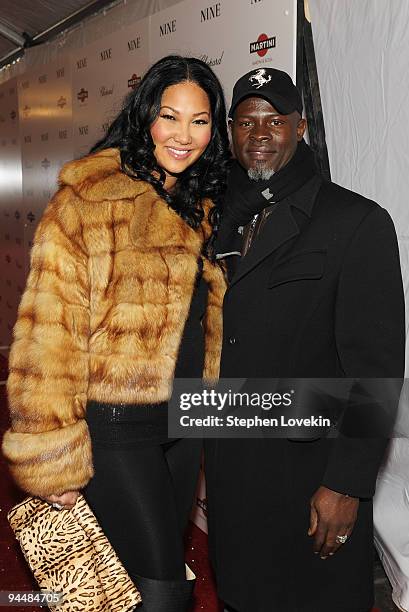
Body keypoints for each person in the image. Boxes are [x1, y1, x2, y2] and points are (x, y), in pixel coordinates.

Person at [2, 55, 229, 611]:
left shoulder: (202, 205)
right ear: (143, 115)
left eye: (199, 121)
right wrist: (49, 454)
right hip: (116, 425)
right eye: (169, 116)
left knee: (137, 581)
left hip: (185, 423)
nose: (183, 135)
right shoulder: (86, 201)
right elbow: (48, 336)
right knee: (159, 589)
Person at [204, 68, 405, 611]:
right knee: (240, 597)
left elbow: (376, 369)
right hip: (232, 471)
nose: (260, 132)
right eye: (247, 120)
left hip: (311, 475)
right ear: (230, 133)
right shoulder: (214, 220)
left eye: (276, 119)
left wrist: (347, 483)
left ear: (301, 127)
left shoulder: (356, 221)